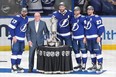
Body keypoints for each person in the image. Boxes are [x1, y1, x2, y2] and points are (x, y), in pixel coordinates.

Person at [85, 6, 105, 73]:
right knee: (91, 52)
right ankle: (94, 65)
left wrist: (99, 36)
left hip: (95, 38)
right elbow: (85, 29)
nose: (89, 11)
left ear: (93, 10)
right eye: (88, 10)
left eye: (90, 10)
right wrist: (85, 37)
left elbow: (101, 28)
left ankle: (100, 65)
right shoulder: (86, 18)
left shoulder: (97, 18)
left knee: (98, 52)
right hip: (88, 38)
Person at [8, 8, 28, 73]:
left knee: (20, 53)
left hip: (22, 39)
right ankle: (13, 66)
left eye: (25, 12)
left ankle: (17, 65)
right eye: (23, 11)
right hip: (16, 38)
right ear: (21, 12)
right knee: (15, 52)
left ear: (27, 12)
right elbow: (11, 27)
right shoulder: (17, 18)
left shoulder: (26, 18)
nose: (24, 13)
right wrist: (13, 36)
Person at [71, 6, 87, 71]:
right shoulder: (72, 18)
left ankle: (84, 64)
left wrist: (85, 37)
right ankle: (79, 64)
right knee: (76, 51)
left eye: (77, 11)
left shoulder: (83, 18)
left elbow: (86, 28)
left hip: (81, 37)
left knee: (83, 51)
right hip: (74, 38)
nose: (76, 12)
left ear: (79, 11)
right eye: (75, 11)